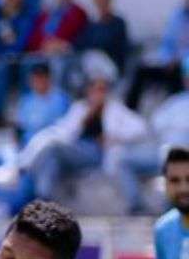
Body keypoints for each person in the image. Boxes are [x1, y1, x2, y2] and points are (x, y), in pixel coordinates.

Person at [20, 67, 147, 201]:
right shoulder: (80, 108)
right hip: (74, 151)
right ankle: (43, 196)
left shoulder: (115, 108)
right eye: (95, 90)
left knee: (52, 147)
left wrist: (115, 137)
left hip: (97, 153)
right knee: (51, 157)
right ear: (89, 91)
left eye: (102, 90)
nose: (99, 94)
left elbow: (141, 128)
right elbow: (64, 132)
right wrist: (85, 118)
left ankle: (27, 171)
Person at [117, 59, 189, 214]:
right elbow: (152, 129)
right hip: (162, 154)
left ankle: (171, 212)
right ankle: (137, 206)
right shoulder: (173, 102)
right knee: (122, 159)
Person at [126, 0, 189, 110]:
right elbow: (166, 44)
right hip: (171, 64)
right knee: (141, 70)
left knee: (178, 74)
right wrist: (167, 59)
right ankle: (129, 113)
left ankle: (177, 114)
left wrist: (181, 60)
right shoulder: (176, 16)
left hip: (184, 67)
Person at [25, 0, 88, 86]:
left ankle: (56, 99)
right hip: (44, 52)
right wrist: (43, 45)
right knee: (28, 63)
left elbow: (84, 37)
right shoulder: (47, 13)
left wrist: (65, 45)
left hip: (67, 54)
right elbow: (34, 36)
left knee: (57, 64)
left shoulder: (79, 12)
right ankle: (30, 101)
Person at [77, 0, 129, 79]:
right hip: (91, 64)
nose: (102, 2)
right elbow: (81, 44)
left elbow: (109, 44)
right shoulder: (91, 24)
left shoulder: (118, 23)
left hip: (110, 66)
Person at [15, 62, 70, 146]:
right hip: (29, 145)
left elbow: (62, 128)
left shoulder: (61, 99)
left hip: (51, 145)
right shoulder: (26, 100)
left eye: (42, 77)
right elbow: (20, 128)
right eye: (36, 78)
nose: (39, 81)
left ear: (49, 78)